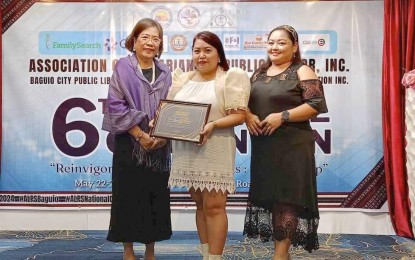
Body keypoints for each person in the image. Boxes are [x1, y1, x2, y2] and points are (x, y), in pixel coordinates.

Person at [243, 25, 328, 260]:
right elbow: (245, 103)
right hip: (264, 148)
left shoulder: (302, 71)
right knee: (273, 201)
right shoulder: (258, 73)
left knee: (287, 201)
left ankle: (279, 256)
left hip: (293, 148)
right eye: (271, 42)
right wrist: (248, 115)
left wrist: (283, 116)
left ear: (294, 47)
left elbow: (316, 105)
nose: (275, 47)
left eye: (281, 42)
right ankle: (283, 255)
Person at [167, 31, 250, 260]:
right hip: (186, 150)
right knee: (201, 206)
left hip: (215, 147)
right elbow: (171, 113)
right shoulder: (183, 79)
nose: (201, 56)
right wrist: (159, 121)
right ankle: (206, 255)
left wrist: (212, 125)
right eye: (197, 51)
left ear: (218, 54)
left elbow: (239, 115)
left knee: (215, 207)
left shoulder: (230, 77)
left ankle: (215, 257)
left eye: (207, 50)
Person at [102, 18, 172, 260]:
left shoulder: (165, 71)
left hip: (159, 146)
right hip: (129, 144)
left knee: (155, 195)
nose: (150, 43)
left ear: (160, 44)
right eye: (145, 37)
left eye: (155, 39)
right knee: (127, 196)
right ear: (134, 41)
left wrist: (162, 135)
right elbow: (115, 106)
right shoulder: (122, 67)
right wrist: (141, 135)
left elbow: (170, 107)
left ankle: (150, 250)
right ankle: (128, 250)